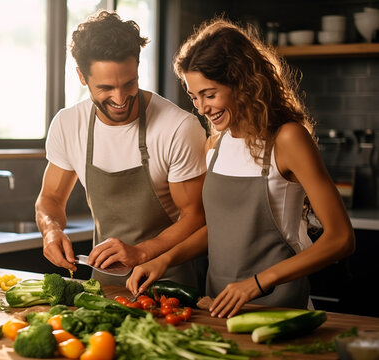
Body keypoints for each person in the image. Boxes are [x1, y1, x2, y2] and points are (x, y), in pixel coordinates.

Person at [126, 18, 355, 317]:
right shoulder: (216, 144)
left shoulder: (287, 138)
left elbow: (341, 238)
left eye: (210, 94)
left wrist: (257, 283)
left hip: (280, 310)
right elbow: (223, 229)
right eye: (194, 96)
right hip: (218, 307)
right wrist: (165, 260)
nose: (202, 107)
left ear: (243, 83)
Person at [35, 10, 208, 287]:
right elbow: (51, 199)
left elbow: (195, 217)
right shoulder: (68, 125)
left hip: (169, 287)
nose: (120, 99)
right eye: (105, 88)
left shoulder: (178, 127)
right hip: (103, 286)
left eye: (129, 84)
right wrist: (51, 230)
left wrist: (140, 252)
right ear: (82, 76)